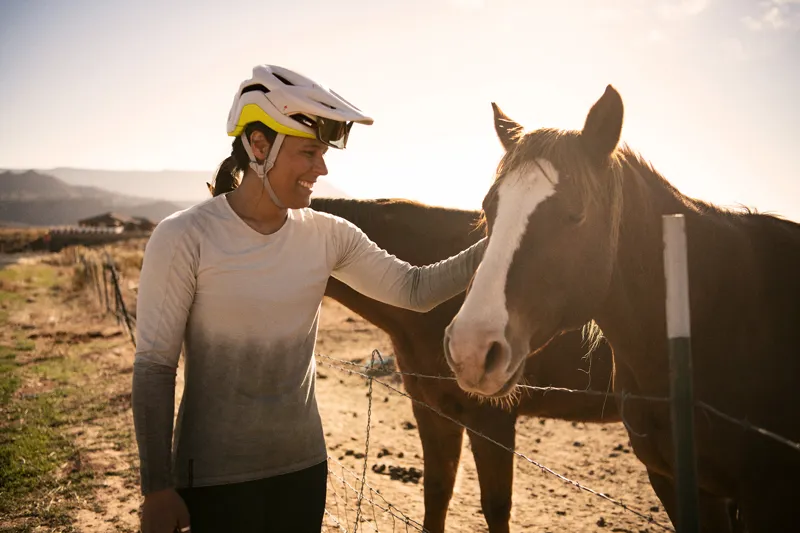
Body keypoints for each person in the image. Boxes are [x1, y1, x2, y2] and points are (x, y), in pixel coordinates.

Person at [132, 64, 487, 533]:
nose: (322, 169)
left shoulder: (327, 235)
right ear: (259, 146)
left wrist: (499, 244)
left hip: (303, 473)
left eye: (322, 153)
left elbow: (415, 290)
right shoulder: (184, 236)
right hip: (214, 480)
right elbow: (155, 367)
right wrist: (157, 487)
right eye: (309, 152)